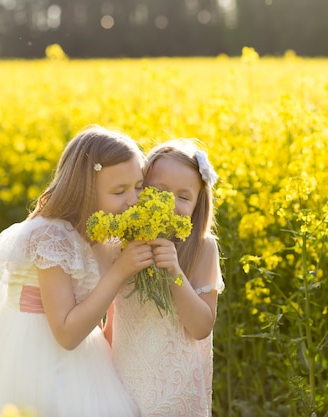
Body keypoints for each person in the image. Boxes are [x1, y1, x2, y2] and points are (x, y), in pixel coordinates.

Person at [0, 126, 149, 417]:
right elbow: (66, 334)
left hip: (83, 349)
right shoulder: (52, 237)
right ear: (85, 190)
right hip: (39, 356)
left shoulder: (101, 230)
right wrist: (120, 271)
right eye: (119, 191)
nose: (134, 200)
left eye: (139, 186)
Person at [105, 138, 225, 417]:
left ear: (198, 206)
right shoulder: (120, 244)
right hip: (124, 382)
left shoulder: (203, 248)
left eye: (184, 197)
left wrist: (175, 272)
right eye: (159, 191)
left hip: (176, 392)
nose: (169, 204)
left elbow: (201, 327)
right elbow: (111, 318)